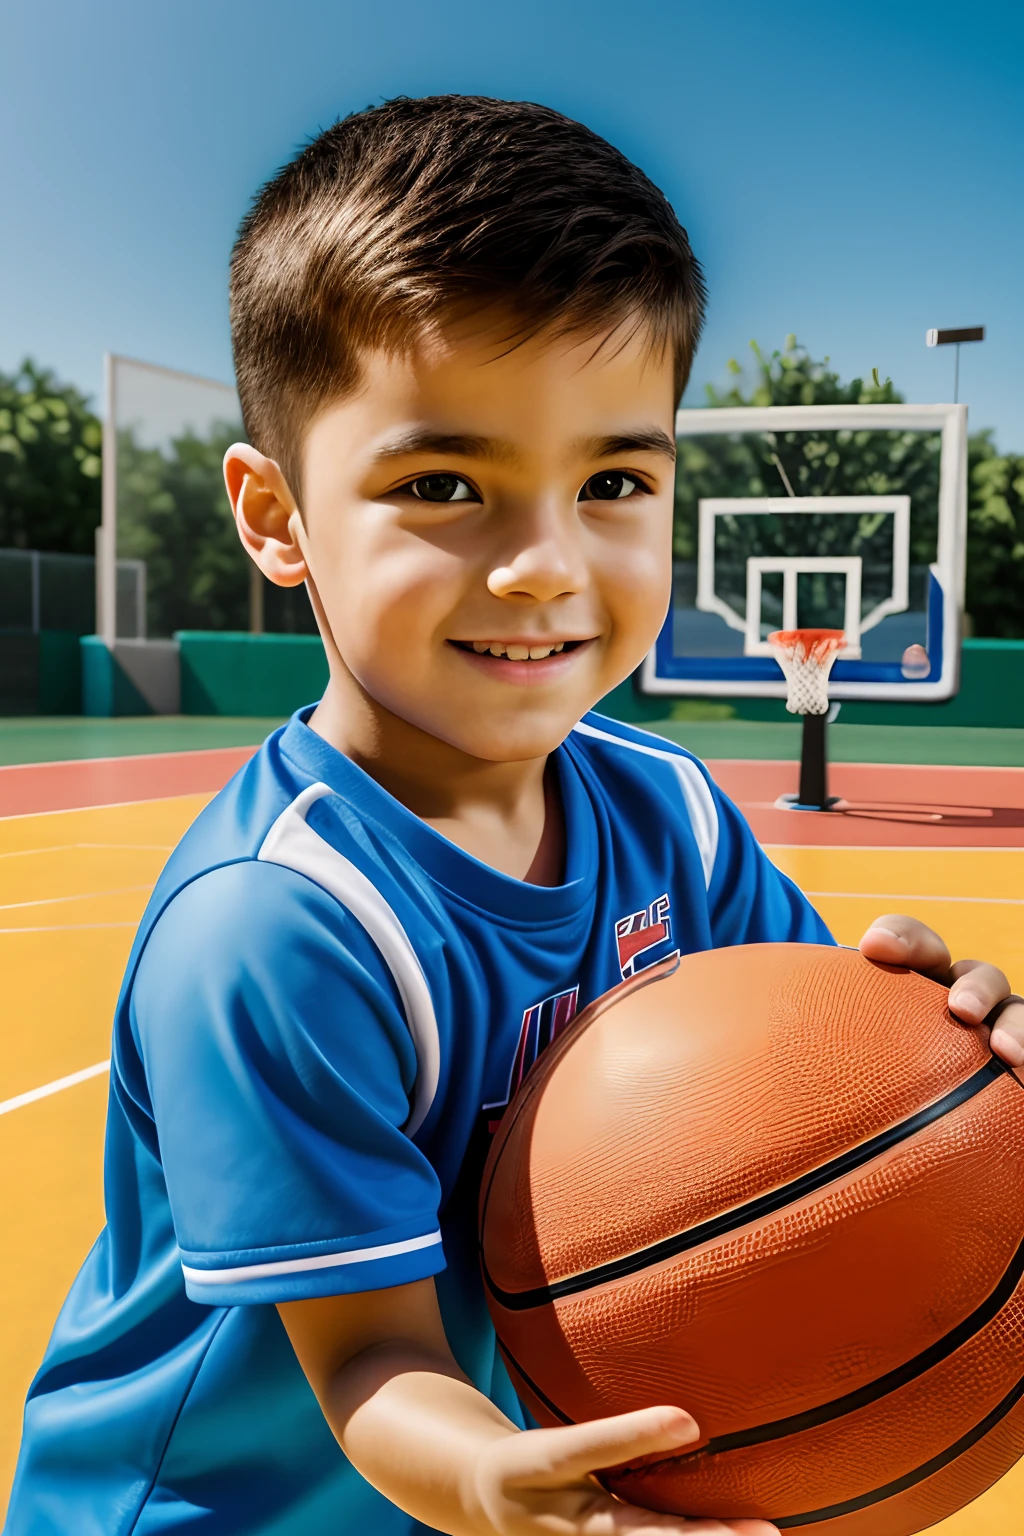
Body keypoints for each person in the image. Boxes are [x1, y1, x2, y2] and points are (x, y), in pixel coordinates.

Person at [8, 96, 1022, 1536]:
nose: (544, 564)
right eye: (443, 485)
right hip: (216, 1512)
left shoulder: (672, 813)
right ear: (277, 516)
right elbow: (371, 1358)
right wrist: (496, 1481)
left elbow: (815, 1096)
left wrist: (954, 1076)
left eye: (612, 481)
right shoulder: (277, 928)